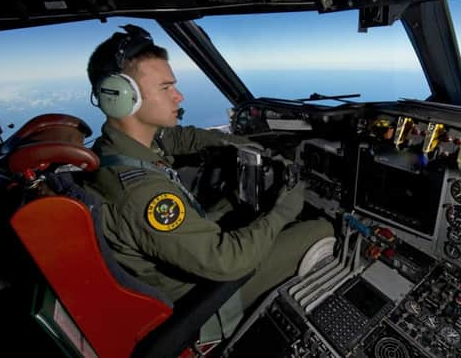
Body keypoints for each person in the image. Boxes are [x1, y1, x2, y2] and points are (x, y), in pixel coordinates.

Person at [85, 24, 333, 343]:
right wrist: (283, 210)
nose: (179, 95)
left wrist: (239, 144)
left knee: (239, 206)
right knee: (318, 229)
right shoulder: (142, 193)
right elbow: (226, 262)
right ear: (120, 99)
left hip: (178, 264)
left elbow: (184, 137)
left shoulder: (116, 147)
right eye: (165, 88)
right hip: (200, 301)